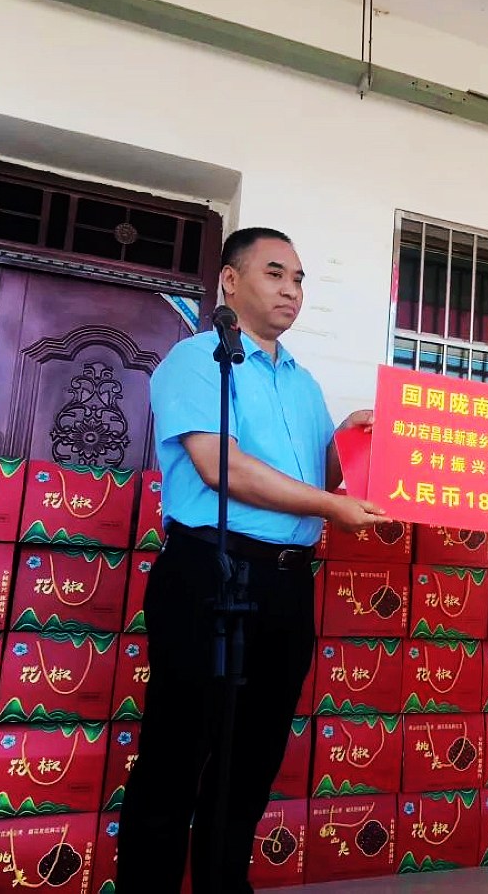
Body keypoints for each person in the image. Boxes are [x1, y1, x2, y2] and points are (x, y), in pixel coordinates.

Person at [116, 227, 387, 894]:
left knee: (255, 756)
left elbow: (320, 478)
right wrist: (331, 507)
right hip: (211, 571)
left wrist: (353, 441)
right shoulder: (196, 360)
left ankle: (222, 882)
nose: (290, 289)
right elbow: (222, 467)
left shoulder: (304, 383)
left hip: (288, 582)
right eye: (275, 273)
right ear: (231, 282)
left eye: (298, 279)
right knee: (178, 751)